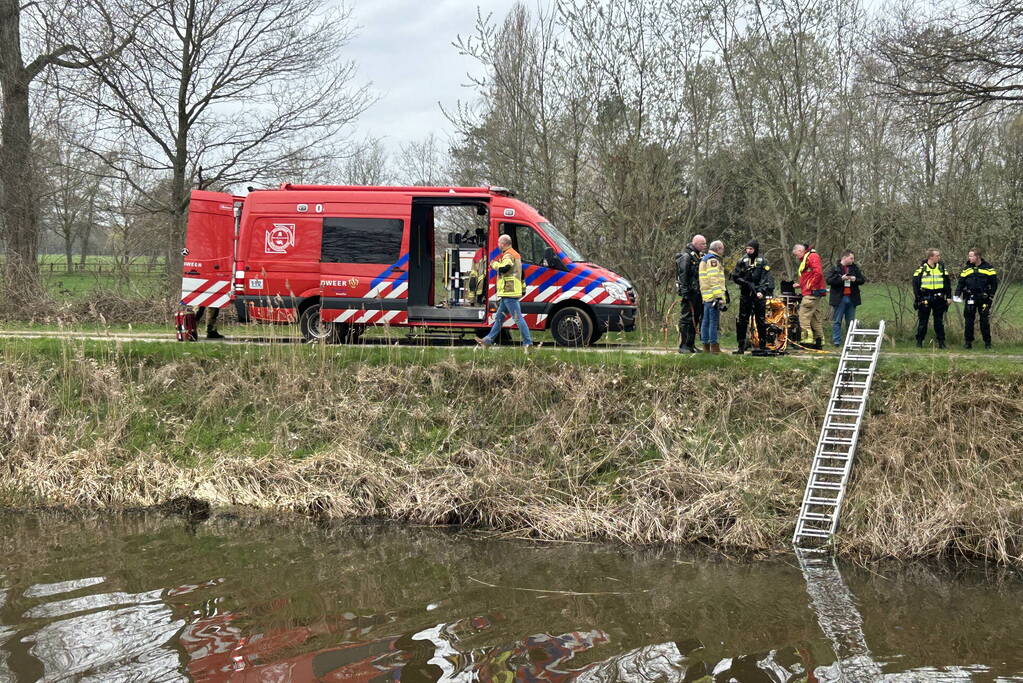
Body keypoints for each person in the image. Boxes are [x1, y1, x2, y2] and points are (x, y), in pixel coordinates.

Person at [476, 234, 533, 350]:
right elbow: (522, 273)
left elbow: (504, 268)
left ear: (503, 244)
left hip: (509, 292)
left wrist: (493, 264)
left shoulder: (508, 255)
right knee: (499, 319)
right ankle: (487, 341)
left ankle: (528, 343)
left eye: (498, 243)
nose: (498, 245)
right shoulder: (514, 254)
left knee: (518, 318)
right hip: (508, 292)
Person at [730, 239, 773, 355]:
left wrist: (761, 291)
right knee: (742, 320)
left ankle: (763, 345)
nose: (749, 251)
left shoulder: (763, 261)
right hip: (745, 294)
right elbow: (735, 276)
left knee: (761, 320)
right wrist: (745, 283)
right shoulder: (742, 261)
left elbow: (766, 278)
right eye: (747, 249)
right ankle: (741, 346)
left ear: (756, 249)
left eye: (751, 249)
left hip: (758, 295)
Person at [955, 247, 998, 349]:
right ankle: (968, 342)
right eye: (969, 256)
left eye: (971, 256)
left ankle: (987, 343)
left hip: (984, 299)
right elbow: (960, 283)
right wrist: (957, 295)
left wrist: (991, 296)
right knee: (969, 321)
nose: (969, 258)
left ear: (977, 256)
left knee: (984, 321)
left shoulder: (988, 268)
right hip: (970, 298)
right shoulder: (966, 269)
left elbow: (994, 284)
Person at [825, 250, 866, 347]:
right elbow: (829, 281)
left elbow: (862, 280)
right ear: (844, 258)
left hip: (852, 298)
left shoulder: (855, 268)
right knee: (837, 320)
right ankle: (836, 342)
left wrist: (854, 279)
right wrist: (841, 279)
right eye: (851, 258)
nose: (853, 260)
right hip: (839, 299)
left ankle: (850, 342)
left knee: (850, 322)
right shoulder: (835, 268)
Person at [913, 248, 952, 348]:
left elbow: (947, 283)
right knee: (923, 321)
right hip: (925, 297)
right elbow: (915, 285)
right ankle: (919, 342)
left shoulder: (942, 268)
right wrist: (918, 299)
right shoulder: (921, 269)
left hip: (939, 298)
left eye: (939, 255)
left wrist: (948, 297)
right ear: (931, 257)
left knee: (939, 322)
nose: (939, 257)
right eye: (937, 256)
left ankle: (941, 342)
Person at [675, 234, 706, 354]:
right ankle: (683, 345)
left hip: (698, 292)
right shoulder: (686, 256)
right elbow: (683, 276)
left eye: (705, 244)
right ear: (695, 243)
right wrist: (685, 292)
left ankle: (691, 344)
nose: (704, 246)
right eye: (702, 244)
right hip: (689, 293)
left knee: (695, 318)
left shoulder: (699, 256)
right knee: (686, 318)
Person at [792, 243, 826, 349]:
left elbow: (818, 273)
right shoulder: (809, 257)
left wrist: (809, 285)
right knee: (815, 318)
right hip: (814, 292)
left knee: (803, 317)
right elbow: (810, 275)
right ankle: (818, 341)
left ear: (800, 250)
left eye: (796, 254)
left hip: (811, 293)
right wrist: (801, 284)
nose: (796, 257)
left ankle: (806, 341)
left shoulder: (812, 256)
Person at [699, 240, 727, 354]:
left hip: (706, 296)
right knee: (713, 322)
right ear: (718, 248)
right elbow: (713, 279)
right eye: (722, 248)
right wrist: (719, 296)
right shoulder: (713, 260)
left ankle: (705, 346)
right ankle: (714, 347)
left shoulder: (705, 259)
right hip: (713, 296)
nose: (723, 250)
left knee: (705, 322)